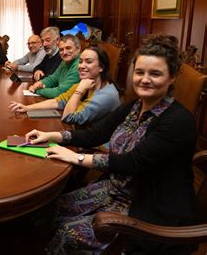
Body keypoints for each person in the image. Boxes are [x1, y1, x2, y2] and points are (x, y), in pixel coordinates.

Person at [24, 34, 197, 254]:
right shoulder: (135, 105)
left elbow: (132, 162)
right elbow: (96, 135)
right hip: (115, 189)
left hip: (146, 206)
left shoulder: (178, 121)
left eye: (155, 73)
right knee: (48, 210)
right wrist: (54, 136)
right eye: (140, 72)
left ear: (172, 78)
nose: (144, 79)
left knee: (68, 233)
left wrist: (76, 157)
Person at [8, 47, 120, 126]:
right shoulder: (86, 83)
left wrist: (80, 90)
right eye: (80, 62)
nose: (81, 66)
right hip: (79, 134)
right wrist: (27, 108)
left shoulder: (105, 95)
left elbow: (68, 117)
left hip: (98, 150)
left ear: (101, 67)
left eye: (88, 62)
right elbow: (58, 101)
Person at [29, 34, 81, 98]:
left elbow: (60, 92)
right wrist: (39, 84)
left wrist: (37, 90)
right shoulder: (64, 62)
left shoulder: (80, 65)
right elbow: (52, 79)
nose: (64, 52)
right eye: (61, 49)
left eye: (68, 48)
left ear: (78, 49)